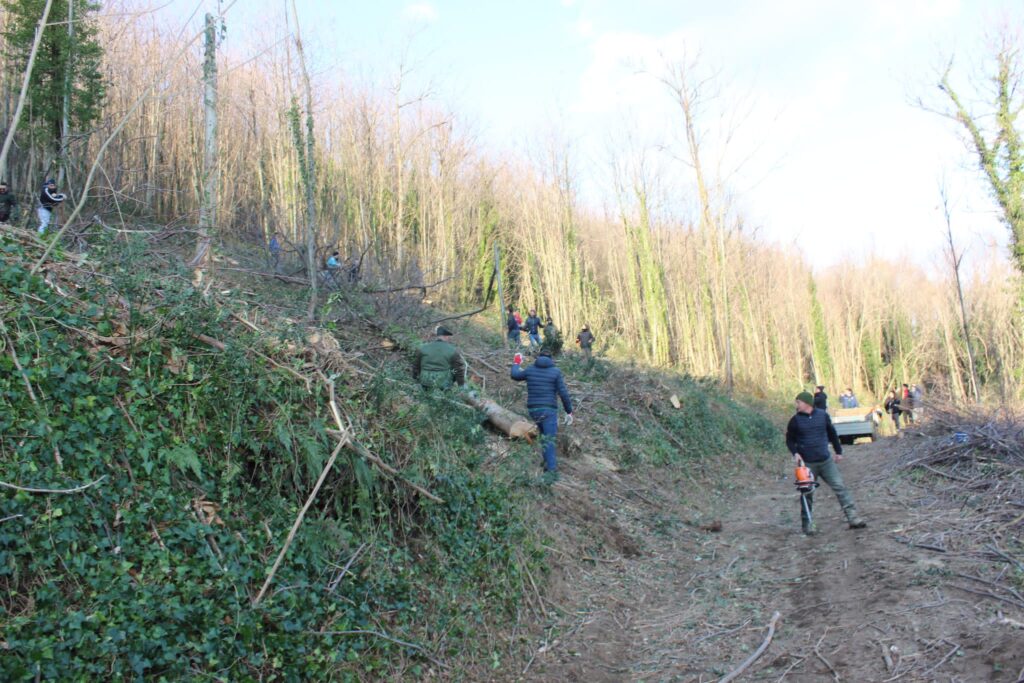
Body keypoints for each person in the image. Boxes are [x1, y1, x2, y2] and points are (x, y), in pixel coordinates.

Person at [786, 391, 866, 534]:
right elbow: (790, 440)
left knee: (840, 487)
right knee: (807, 494)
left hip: (826, 461)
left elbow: (832, 434)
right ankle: (807, 524)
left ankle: (853, 518)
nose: (796, 405)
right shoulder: (795, 421)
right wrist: (795, 453)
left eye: (798, 402)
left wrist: (838, 451)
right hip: (807, 465)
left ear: (806, 403)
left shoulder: (822, 416)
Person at [511, 349, 573, 479]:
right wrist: (569, 411)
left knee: (544, 437)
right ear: (551, 359)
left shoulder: (530, 369)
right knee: (549, 439)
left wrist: (516, 362)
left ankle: (546, 464)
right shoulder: (555, 372)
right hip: (548, 410)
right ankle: (551, 473)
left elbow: (515, 375)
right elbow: (563, 393)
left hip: (534, 410)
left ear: (538, 357)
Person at [413, 326, 467, 390]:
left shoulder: (423, 348)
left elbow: (416, 366)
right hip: (442, 384)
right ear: (446, 336)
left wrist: (415, 378)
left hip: (424, 381)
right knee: (453, 369)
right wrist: (461, 384)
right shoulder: (452, 350)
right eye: (448, 337)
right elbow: (459, 369)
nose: (449, 339)